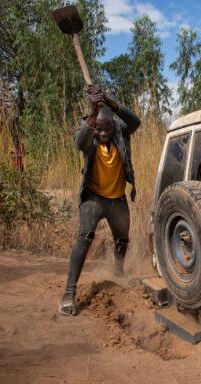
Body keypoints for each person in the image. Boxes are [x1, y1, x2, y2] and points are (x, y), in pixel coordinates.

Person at [59, 84, 141, 316]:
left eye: (105, 129)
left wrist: (109, 100)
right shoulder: (88, 134)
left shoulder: (120, 131)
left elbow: (135, 122)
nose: (101, 133)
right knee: (84, 238)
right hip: (93, 198)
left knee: (122, 239)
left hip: (117, 199)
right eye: (97, 128)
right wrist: (93, 113)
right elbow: (78, 143)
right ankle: (69, 293)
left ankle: (118, 272)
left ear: (113, 126)